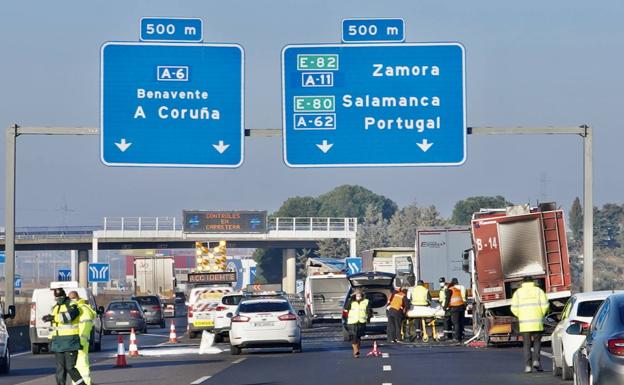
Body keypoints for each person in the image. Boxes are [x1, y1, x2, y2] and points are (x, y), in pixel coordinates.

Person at [43, 288, 85, 385]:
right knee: (60, 369)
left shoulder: (71, 304)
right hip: (58, 343)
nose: (59, 299)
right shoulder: (55, 308)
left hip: (71, 342)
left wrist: (54, 318)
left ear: (64, 296)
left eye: (60, 297)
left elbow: (71, 316)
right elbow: (54, 328)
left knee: (70, 367)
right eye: (57, 297)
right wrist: (50, 340)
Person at [510, 276, 549, 373]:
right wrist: (541, 314)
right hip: (537, 322)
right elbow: (545, 305)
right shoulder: (539, 291)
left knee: (527, 345)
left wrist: (520, 315)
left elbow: (513, 308)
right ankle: (536, 361)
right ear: (533, 282)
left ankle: (528, 366)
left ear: (523, 282)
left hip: (525, 323)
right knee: (537, 343)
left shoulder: (518, 293)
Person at [68, 291, 96, 385]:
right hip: (78, 340)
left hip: (79, 341)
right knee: (78, 362)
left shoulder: (80, 309)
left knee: (81, 362)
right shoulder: (83, 308)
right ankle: (78, 382)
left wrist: (80, 340)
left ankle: (84, 382)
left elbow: (85, 326)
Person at [345, 289, 371, 358]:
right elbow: (346, 308)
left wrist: (368, 318)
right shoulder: (351, 301)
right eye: (357, 296)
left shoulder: (366, 301)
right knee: (354, 335)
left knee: (358, 336)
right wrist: (350, 300)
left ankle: (357, 350)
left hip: (361, 321)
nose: (358, 297)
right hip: (352, 321)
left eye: (360, 296)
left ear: (362, 296)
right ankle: (355, 350)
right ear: (355, 296)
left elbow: (369, 311)